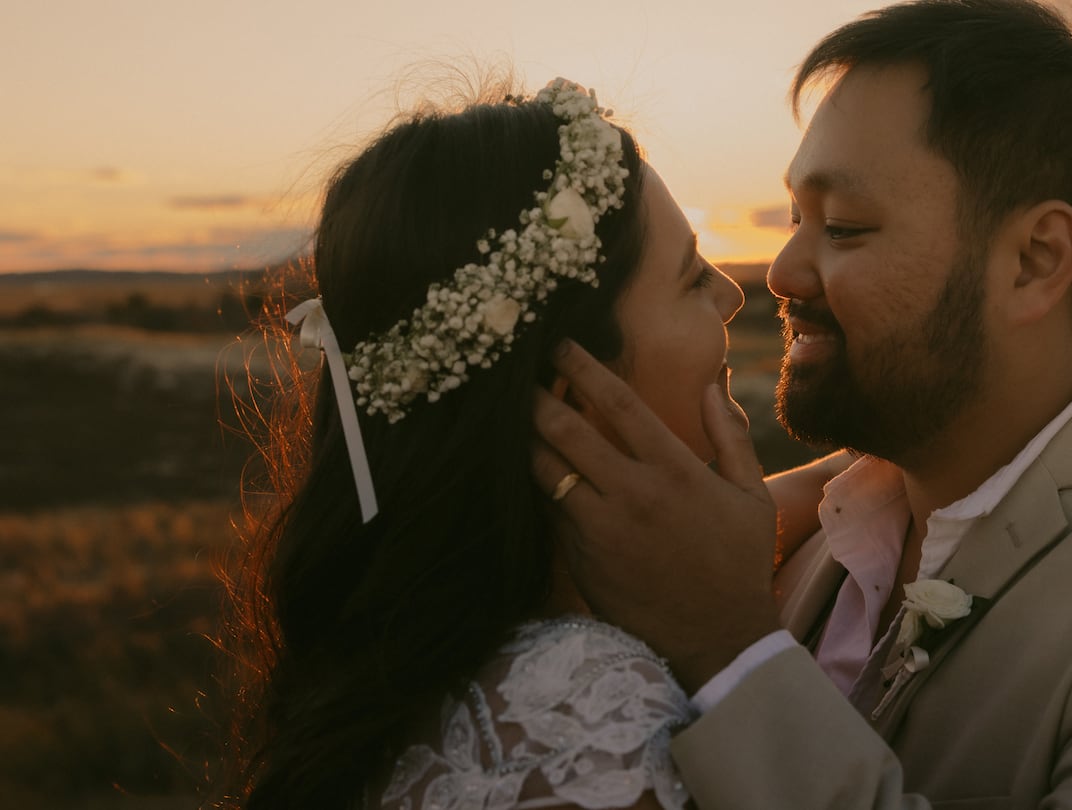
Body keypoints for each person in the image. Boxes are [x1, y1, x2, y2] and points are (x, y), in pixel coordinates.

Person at [531, 1, 1072, 807]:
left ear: (1034, 261)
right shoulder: (813, 529)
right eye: (796, 217)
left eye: (846, 228)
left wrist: (726, 648)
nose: (781, 275)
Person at [219, 77, 841, 810]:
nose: (734, 295)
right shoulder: (580, 705)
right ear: (571, 398)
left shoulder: (420, 644)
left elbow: (798, 498)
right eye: (690, 277)